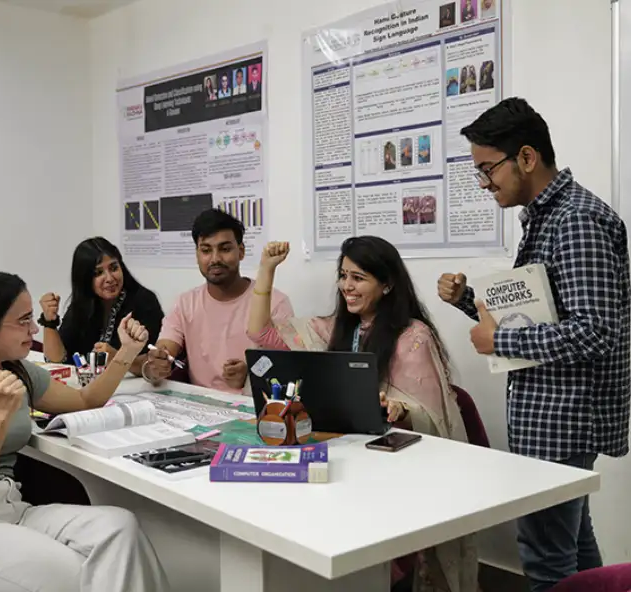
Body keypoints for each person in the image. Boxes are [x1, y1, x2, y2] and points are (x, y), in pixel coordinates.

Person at [437, 97, 631, 592]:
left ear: (526, 157)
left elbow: (596, 330)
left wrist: (500, 338)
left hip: (562, 423)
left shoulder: (576, 220)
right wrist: (468, 302)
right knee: (577, 553)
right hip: (548, 419)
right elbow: (542, 314)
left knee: (546, 562)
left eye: (488, 169)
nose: (484, 183)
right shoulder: (547, 217)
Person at [0, 270, 170, 592]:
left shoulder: (17, 371)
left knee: (119, 527)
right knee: (81, 577)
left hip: (9, 506)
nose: (34, 330)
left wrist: (127, 351)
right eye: (23, 321)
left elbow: (85, 400)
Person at [248, 238, 477, 591]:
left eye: (358, 278)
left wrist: (400, 409)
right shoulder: (335, 329)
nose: (347, 286)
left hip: (397, 474)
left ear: (387, 285)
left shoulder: (413, 336)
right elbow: (260, 332)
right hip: (351, 461)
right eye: (343, 276)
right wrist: (266, 269)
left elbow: (433, 417)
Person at [146, 209, 293, 393]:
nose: (215, 259)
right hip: (200, 403)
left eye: (225, 249)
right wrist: (155, 365)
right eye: (206, 250)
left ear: (241, 251)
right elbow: (164, 351)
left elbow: (288, 365)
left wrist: (251, 374)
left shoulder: (275, 302)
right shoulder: (185, 303)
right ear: (197, 254)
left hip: (253, 403)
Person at [40, 237, 164, 377]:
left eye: (114, 268)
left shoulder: (144, 301)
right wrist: (49, 322)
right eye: (98, 273)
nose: (109, 278)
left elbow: (156, 365)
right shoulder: (83, 304)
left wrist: (118, 357)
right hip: (91, 386)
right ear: (84, 279)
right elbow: (58, 361)